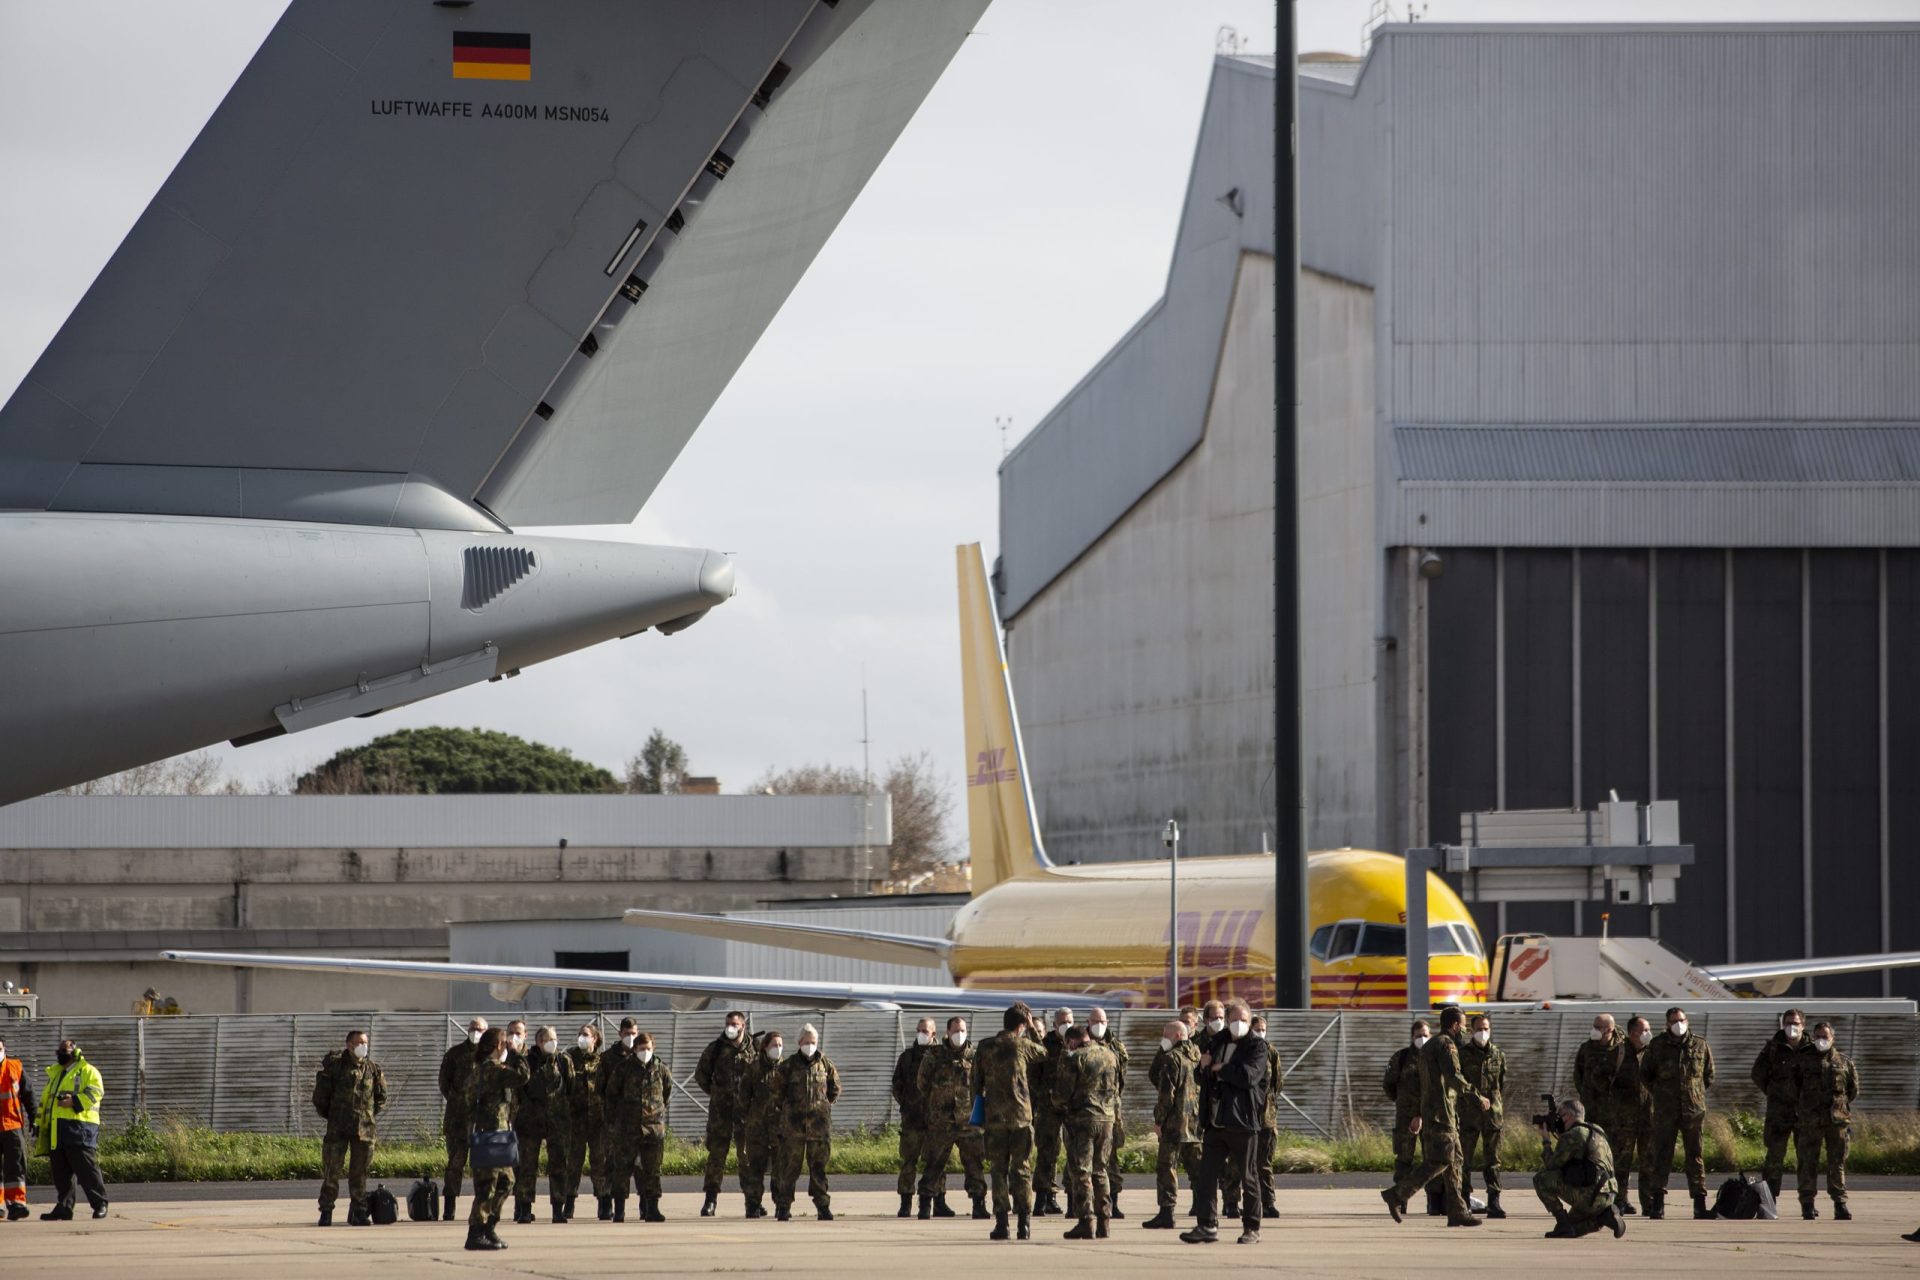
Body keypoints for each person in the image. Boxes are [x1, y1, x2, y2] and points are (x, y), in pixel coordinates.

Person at [1379, 1005, 1484, 1230]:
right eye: (1463, 1027)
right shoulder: (1446, 1045)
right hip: (1441, 1114)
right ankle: (1397, 1194)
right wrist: (1477, 1097)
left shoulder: (1430, 1047)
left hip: (1439, 1113)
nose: (1464, 1031)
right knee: (1440, 1160)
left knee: (1455, 1161)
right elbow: (1454, 1077)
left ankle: (1457, 1210)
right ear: (1455, 1025)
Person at [1181, 999, 1268, 1246]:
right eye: (1234, 1019)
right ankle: (1206, 1224)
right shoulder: (1217, 1041)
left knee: (1248, 1176)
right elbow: (1201, 1074)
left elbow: (1248, 1077)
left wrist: (1220, 1068)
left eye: (1243, 1019)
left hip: (1243, 1121)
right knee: (1207, 1175)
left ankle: (1252, 1227)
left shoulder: (1257, 1046)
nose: (1238, 1023)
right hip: (1216, 1120)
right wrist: (1209, 1068)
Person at [972, 1002, 1048, 1241]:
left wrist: (979, 1112)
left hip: (995, 1118)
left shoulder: (985, 1047)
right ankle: (1024, 1223)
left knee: (998, 1171)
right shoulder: (1023, 1045)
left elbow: (975, 1083)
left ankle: (1002, 1223)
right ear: (1022, 1026)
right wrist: (1034, 1025)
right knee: (1022, 1169)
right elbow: (1044, 1052)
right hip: (1021, 1118)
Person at [1640, 1005, 1715, 1219]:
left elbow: (1708, 1075)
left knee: (1695, 1156)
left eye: (1681, 1020)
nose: (1678, 1024)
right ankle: (1658, 1204)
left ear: (1687, 1021)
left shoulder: (1700, 1045)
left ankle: (1699, 1205)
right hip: (1666, 1111)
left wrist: (1694, 1094)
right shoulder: (1657, 1046)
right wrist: (1662, 1093)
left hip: (1693, 1111)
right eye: (1673, 1021)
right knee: (1662, 1155)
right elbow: (1645, 1074)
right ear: (1666, 1024)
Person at [312, 1028, 386, 1227]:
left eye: (365, 1043)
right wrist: (335, 1116)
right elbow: (320, 1098)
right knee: (332, 1171)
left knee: (359, 1173)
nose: (363, 1046)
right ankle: (326, 1211)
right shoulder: (335, 1068)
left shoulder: (372, 1069)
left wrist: (366, 1116)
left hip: (364, 1130)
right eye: (359, 1043)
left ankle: (359, 1212)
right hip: (338, 1129)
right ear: (349, 1045)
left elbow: (380, 1098)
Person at [916, 1015, 988, 1219]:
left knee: (974, 1164)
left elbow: (983, 1085)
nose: (959, 1034)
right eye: (955, 1031)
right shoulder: (934, 1055)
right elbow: (922, 1083)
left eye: (962, 1030)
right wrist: (937, 1103)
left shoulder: (975, 1055)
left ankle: (979, 1204)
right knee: (933, 1164)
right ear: (947, 1032)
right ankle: (925, 1205)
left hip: (968, 1122)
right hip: (941, 1121)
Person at [464, 1027, 529, 1252]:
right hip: (489, 1135)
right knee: (486, 1187)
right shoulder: (490, 1070)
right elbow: (522, 1076)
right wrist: (516, 1053)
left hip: (498, 1134)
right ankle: (475, 1233)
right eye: (504, 1042)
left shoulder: (482, 1071)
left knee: (506, 1182)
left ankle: (489, 1227)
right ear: (497, 1046)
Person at [1052, 1023, 1117, 1241]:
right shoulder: (1110, 1055)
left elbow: (1063, 1093)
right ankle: (1104, 1222)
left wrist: (1056, 1101)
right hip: (1107, 1118)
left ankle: (1086, 1221)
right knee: (1101, 1169)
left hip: (1083, 1120)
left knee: (1081, 1172)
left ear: (1072, 1040)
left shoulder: (1075, 1058)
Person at [771, 1023, 840, 1221]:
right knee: (789, 1169)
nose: (810, 1045)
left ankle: (822, 1206)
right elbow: (776, 1093)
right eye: (807, 1041)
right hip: (793, 1129)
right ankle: (783, 1207)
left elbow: (835, 1089)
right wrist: (790, 1111)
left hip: (819, 1129)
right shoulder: (788, 1066)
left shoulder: (825, 1064)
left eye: (813, 1042)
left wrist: (822, 1107)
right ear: (799, 1042)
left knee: (819, 1169)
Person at [603, 1030, 673, 1223]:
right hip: (627, 1128)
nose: (645, 1052)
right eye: (642, 1049)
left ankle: (652, 1209)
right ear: (635, 1049)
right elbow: (611, 1095)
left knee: (652, 1170)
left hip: (653, 1129)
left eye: (648, 1048)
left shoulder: (661, 1069)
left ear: (653, 1048)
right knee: (622, 1169)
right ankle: (619, 1210)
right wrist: (615, 1121)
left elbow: (666, 1093)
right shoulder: (624, 1068)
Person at [693, 1009, 755, 1217]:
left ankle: (751, 1201)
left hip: (745, 1115)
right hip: (721, 1114)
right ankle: (710, 1200)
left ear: (743, 1026)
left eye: (735, 1024)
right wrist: (716, 1092)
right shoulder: (715, 1049)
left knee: (746, 1158)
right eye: (728, 1023)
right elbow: (701, 1075)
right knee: (716, 1158)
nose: (731, 1027)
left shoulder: (754, 1048)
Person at [1533, 1097, 1625, 1239]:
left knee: (1541, 1179)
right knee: (1572, 1229)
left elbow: (1551, 1165)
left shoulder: (1573, 1135)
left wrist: (1546, 1140)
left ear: (1568, 1116)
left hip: (1590, 1195)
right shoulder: (1596, 1129)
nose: (1558, 1120)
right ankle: (1604, 1217)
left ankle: (1563, 1223)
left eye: (1560, 1115)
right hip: (1609, 1193)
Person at [35, 1039, 106, 1221]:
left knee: (86, 1169)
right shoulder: (56, 1074)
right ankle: (64, 1208)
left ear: (74, 1051)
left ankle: (100, 1204)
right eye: (58, 1050)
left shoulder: (87, 1070)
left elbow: (96, 1092)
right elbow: (46, 1102)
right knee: (61, 1173)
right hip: (57, 1129)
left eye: (64, 1050)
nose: (60, 1053)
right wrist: (38, 1124)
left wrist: (74, 1101)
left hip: (79, 1127)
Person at [1794, 1021, 1858, 1221]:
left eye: (1825, 1036)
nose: (1821, 1040)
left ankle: (1840, 1204)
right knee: (1807, 1163)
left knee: (1836, 1163)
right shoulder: (1803, 1061)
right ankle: (1807, 1204)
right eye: (1818, 1036)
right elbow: (1793, 1087)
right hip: (1810, 1121)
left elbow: (1852, 1091)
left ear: (1833, 1038)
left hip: (1836, 1122)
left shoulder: (1844, 1062)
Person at [1144, 1019, 1201, 1230]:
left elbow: (1166, 1095)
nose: (1163, 1038)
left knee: (1167, 1167)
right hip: (1195, 1123)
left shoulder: (1171, 1059)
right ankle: (1205, 1209)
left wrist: (1159, 1121)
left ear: (1177, 1036)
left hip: (1174, 1124)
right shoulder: (1197, 1056)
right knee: (1197, 1169)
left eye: (1165, 1035)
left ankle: (1167, 1212)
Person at [514, 1026, 573, 1224]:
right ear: (539, 1042)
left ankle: (558, 1208)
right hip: (530, 1122)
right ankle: (524, 1208)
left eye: (554, 1039)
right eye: (548, 1039)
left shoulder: (563, 1061)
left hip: (558, 1122)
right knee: (527, 1166)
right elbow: (518, 1089)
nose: (552, 1043)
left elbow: (570, 1087)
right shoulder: (527, 1061)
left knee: (559, 1166)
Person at [1751, 1007, 1809, 1204]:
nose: (1792, 1027)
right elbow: (1757, 1073)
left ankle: (1807, 1202)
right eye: (1788, 1023)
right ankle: (1769, 1200)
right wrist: (1774, 1092)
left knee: (1806, 1158)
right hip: (1779, 1112)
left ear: (1803, 1025)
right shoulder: (1773, 1048)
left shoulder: (1812, 1049)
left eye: (1795, 1023)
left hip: (1805, 1113)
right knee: (1774, 1157)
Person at [1598, 1014, 1652, 1214]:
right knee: (1622, 1162)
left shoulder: (1653, 1053)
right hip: (1624, 1120)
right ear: (1631, 1033)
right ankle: (1620, 1200)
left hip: (1649, 1117)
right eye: (1642, 1030)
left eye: (1648, 1030)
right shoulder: (1617, 1053)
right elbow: (1598, 1079)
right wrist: (1614, 1101)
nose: (1647, 1034)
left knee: (1649, 1161)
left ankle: (1649, 1202)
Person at [437, 1016, 488, 1221]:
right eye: (473, 1028)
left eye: (480, 1029)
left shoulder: (492, 1055)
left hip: (483, 1119)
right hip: (457, 1119)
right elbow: (444, 1082)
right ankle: (449, 1207)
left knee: (483, 1165)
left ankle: (482, 1208)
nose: (476, 1032)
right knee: (455, 1163)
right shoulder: (455, 1054)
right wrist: (459, 1101)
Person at [1458, 1012, 1507, 1218]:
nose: (1483, 1033)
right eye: (1479, 1029)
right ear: (1471, 1031)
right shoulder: (1463, 1054)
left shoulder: (1498, 1055)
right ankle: (1464, 1200)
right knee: (1464, 1161)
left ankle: (1494, 1202)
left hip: (1492, 1117)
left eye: (1486, 1029)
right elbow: (1459, 1081)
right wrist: (1476, 1098)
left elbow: (1501, 1083)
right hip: (1469, 1115)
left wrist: (1493, 1105)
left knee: (1493, 1161)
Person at [1382, 1021, 1432, 1214]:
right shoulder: (1401, 1058)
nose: (1422, 1038)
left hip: (1429, 1117)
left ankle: (1433, 1201)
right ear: (1412, 1037)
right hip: (1405, 1119)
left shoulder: (1434, 1057)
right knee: (1404, 1161)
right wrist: (1402, 1103)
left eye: (1425, 1034)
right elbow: (1388, 1084)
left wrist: (1422, 1113)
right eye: (1419, 1035)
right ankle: (1400, 1200)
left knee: (1431, 1161)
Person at [891, 1017, 938, 1218]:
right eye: (919, 1030)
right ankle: (905, 1201)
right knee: (909, 1162)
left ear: (933, 1034)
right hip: (912, 1119)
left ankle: (935, 1201)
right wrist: (908, 1104)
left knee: (935, 1163)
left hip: (936, 1120)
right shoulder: (907, 1057)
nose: (921, 1033)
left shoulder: (941, 1056)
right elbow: (897, 1086)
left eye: (925, 1030)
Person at [1031, 1007, 1074, 1216]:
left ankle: (1068, 1196)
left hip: (1072, 1106)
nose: (1066, 1024)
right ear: (1054, 1025)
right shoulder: (1044, 1047)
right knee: (1047, 1151)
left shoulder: (1079, 1043)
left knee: (1075, 1150)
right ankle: (1042, 1197)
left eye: (1069, 1020)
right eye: (1062, 1021)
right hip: (1048, 1108)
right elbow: (1033, 1076)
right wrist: (1045, 1094)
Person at [1087, 1007, 1129, 1219]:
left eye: (1102, 1020)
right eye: (1095, 1020)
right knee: (1082, 1157)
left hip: (1111, 1108)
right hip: (1086, 1109)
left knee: (1111, 1157)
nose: (1099, 1024)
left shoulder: (1117, 1046)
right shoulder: (1083, 1042)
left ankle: (1113, 1201)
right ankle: (1081, 1203)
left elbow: (1121, 1079)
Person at [559, 1021, 604, 1222]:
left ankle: (604, 1203)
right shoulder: (568, 1058)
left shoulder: (603, 1061)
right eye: (580, 1034)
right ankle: (568, 1204)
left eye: (586, 1034)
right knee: (572, 1164)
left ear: (595, 1038)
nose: (582, 1038)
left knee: (600, 1163)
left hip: (598, 1121)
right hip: (574, 1120)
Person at [743, 1030, 786, 1218]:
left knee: (780, 1170)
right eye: (774, 1045)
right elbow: (743, 1096)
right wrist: (749, 1118)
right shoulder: (754, 1068)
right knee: (756, 1168)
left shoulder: (787, 1068)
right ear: (765, 1047)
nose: (777, 1048)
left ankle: (781, 1205)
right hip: (757, 1128)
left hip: (780, 1128)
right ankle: (753, 1205)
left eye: (780, 1045)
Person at [0, 1034, 38, 1220]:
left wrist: (34, 1118)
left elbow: (28, 1094)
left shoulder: (15, 1067)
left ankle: (16, 1203)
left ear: (4, 1049)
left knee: (16, 1165)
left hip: (12, 1126)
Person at [1249, 1015, 1281, 1219]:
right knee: (1240, 1164)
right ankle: (1235, 1203)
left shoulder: (1271, 1052)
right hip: (1246, 1115)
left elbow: (1278, 1083)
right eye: (1257, 1028)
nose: (1261, 1032)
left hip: (1267, 1116)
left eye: (1263, 1029)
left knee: (1264, 1162)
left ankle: (1268, 1203)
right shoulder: (1244, 1050)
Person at [1573, 1014, 1619, 1125]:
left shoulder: (1620, 1050)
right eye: (1594, 1026)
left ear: (1610, 1029)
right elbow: (1578, 1075)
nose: (1594, 1030)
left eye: (1598, 1027)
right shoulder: (1586, 1048)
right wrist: (1586, 1092)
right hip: (1589, 1106)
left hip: (1611, 1108)